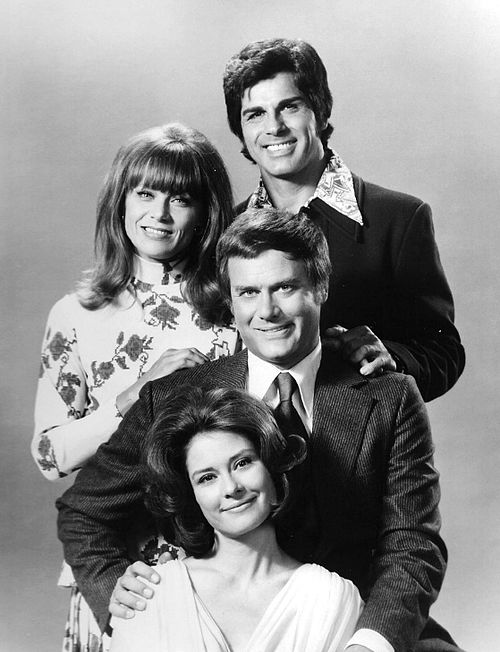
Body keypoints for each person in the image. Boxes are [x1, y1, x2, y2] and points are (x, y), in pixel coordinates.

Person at [57, 209, 463, 652]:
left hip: (355, 619)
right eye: (248, 292)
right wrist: (114, 588)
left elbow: (412, 541)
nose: (267, 311)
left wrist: (371, 642)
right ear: (230, 304)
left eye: (285, 287)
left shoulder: (389, 397)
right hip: (219, 620)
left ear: (320, 288)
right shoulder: (173, 396)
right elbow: (83, 510)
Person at [32, 123, 239, 651]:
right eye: (145, 194)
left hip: (217, 557)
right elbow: (49, 455)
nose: (160, 215)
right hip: (112, 562)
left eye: (181, 199)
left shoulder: (235, 312)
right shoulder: (76, 314)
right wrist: (133, 395)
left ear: (207, 211)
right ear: (120, 200)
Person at [222, 37, 465, 402]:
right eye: (255, 114)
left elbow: (444, 351)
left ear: (319, 111)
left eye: (290, 107)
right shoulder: (227, 228)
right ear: (240, 129)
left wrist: (394, 357)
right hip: (254, 445)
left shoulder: (397, 219)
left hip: (363, 443)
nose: (274, 127)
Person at [109, 385, 363, 651]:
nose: (231, 488)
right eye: (207, 478)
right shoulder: (150, 592)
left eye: (242, 463)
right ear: (190, 494)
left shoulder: (329, 597)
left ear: (273, 470)